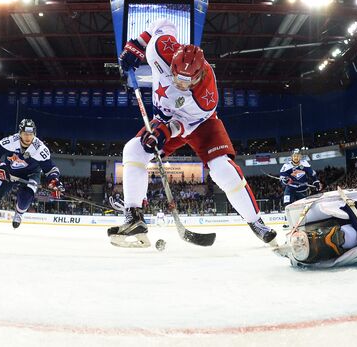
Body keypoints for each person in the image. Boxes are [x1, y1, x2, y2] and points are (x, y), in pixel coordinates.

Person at [107, 19, 277, 246]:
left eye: (189, 81)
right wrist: (137, 44)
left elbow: (183, 126)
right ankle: (134, 216)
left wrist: (164, 132)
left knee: (222, 169)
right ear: (172, 63)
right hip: (164, 118)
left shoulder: (206, 96)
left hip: (200, 124)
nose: (182, 84)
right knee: (133, 151)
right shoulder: (160, 48)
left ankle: (256, 222)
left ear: (199, 75)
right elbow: (164, 23)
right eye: (178, 77)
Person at [0, 119, 64, 231]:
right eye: (25, 134)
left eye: (31, 134)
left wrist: (54, 181)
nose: (28, 137)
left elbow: (50, 168)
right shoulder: (10, 141)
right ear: (20, 133)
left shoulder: (40, 149)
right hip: (9, 172)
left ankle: (19, 213)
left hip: (31, 174)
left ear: (35, 134)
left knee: (26, 198)